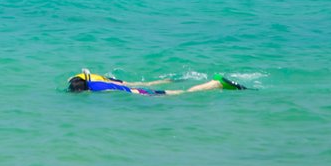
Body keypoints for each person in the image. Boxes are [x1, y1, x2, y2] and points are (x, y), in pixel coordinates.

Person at [67, 69, 248, 95]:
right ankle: (171, 79)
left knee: (176, 95)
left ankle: (214, 84)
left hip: (130, 90)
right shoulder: (87, 76)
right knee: (151, 83)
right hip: (117, 81)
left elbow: (118, 91)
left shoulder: (97, 90)